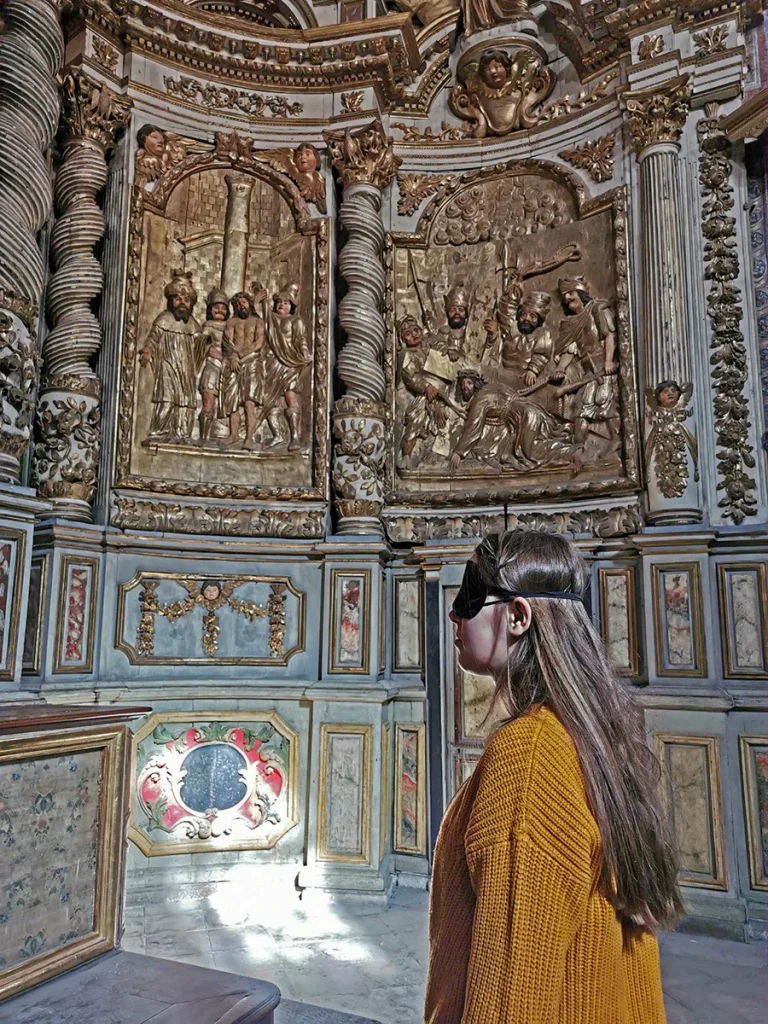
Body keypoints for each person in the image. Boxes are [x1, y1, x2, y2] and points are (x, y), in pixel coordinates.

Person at [425, 530, 683, 1024]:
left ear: (518, 615)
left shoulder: (529, 758)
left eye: (470, 598)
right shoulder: (592, 736)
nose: (455, 615)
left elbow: (510, 1000)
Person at [140, 270, 201, 444]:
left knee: (186, 400)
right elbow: (153, 337)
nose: (182, 303)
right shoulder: (164, 319)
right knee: (167, 398)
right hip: (167, 364)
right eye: (178, 299)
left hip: (186, 368)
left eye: (187, 300)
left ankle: (183, 433)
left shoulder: (193, 324)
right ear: (171, 301)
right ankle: (160, 431)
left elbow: (201, 343)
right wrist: (147, 350)